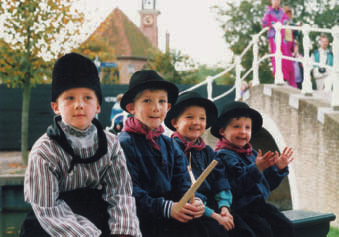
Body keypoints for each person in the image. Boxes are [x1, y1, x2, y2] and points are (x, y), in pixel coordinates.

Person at [20, 52, 141, 237]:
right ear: (55, 106)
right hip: (55, 223)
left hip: (97, 214)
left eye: (87, 98)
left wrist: (123, 232)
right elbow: (47, 208)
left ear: (98, 106)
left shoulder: (111, 144)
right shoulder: (43, 151)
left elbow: (120, 193)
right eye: (69, 98)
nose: (79, 105)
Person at [118, 70, 220, 237]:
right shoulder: (123, 144)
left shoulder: (169, 144)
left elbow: (183, 183)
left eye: (162, 101)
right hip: (142, 217)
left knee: (212, 229)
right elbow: (129, 191)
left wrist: (193, 201)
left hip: (172, 213)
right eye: (147, 101)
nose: (156, 108)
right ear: (131, 108)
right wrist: (168, 208)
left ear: (168, 107)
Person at [165, 91, 255, 237]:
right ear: (175, 123)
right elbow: (182, 189)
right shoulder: (172, 150)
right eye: (189, 117)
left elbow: (220, 179)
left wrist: (224, 207)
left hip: (213, 207)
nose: (196, 122)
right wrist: (215, 216)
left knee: (243, 230)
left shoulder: (207, 151)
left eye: (202, 118)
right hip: (190, 209)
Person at [210, 101, 295, 237]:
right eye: (236, 127)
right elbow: (235, 188)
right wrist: (257, 168)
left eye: (247, 127)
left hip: (259, 205)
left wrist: (278, 169)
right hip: (240, 208)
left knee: (285, 226)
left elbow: (266, 184)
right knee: (262, 230)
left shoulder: (252, 153)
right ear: (222, 131)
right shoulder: (223, 156)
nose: (243, 132)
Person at [262, 0, 297, 88]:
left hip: (283, 36)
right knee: (276, 56)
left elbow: (286, 19)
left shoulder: (282, 11)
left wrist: (285, 22)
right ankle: (279, 77)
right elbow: (265, 23)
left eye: (278, 0)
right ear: (271, 1)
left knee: (285, 56)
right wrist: (273, 24)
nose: (277, 2)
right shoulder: (268, 12)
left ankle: (286, 78)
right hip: (274, 37)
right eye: (275, 0)